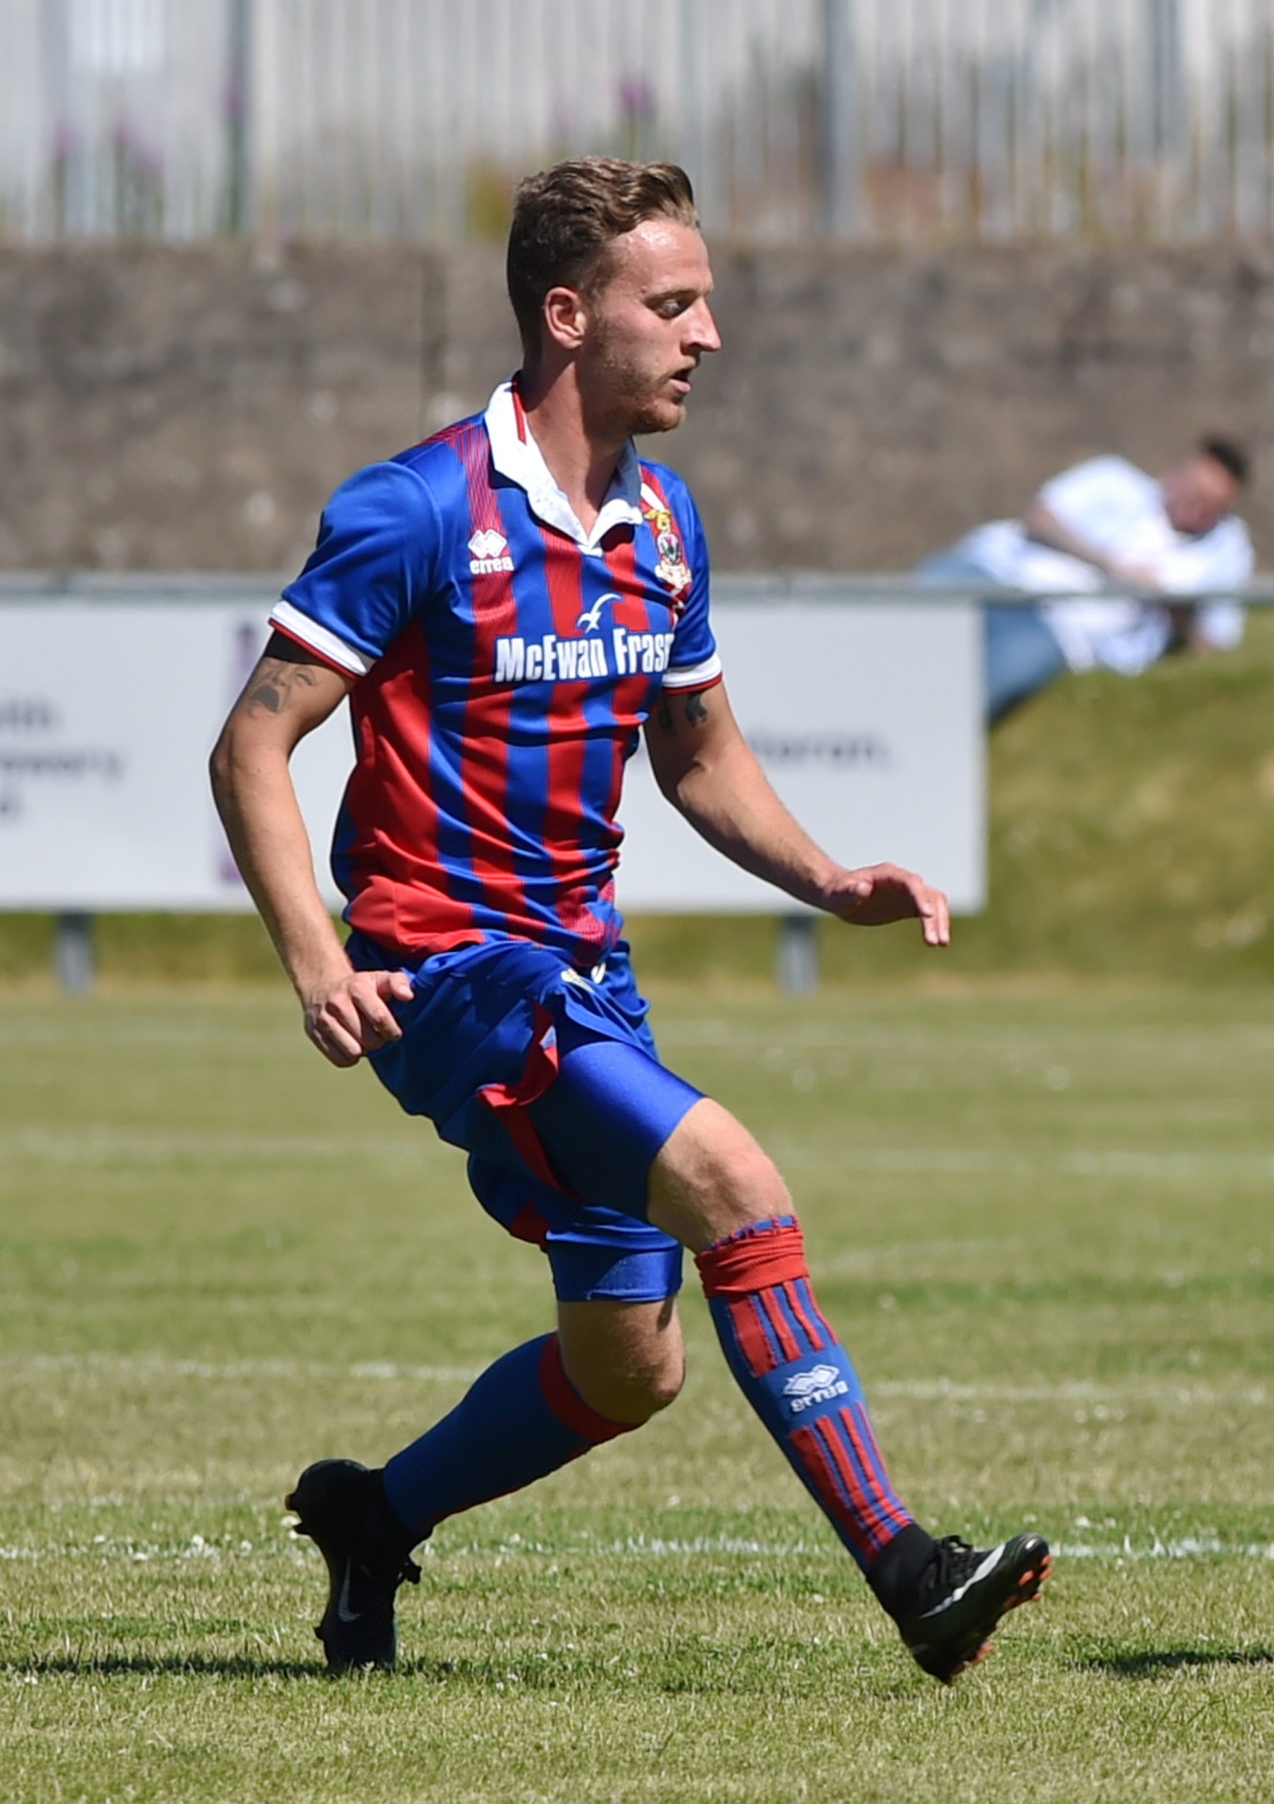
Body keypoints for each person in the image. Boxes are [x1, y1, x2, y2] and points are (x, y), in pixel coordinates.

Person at [208, 157, 1049, 1680]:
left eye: (704, 300)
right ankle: (914, 1571)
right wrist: (315, 958)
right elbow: (251, 742)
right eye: (673, 303)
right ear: (567, 315)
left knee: (630, 1364)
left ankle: (375, 1516)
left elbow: (700, 752)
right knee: (735, 1178)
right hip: (448, 972)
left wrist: (829, 875)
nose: (707, 333)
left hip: (583, 975)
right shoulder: (413, 509)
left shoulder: (658, 521)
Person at [914, 441, 1254, 721]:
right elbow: (1039, 519)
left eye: (1210, 506)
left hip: (1058, 630)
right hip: (997, 574)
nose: (1196, 509)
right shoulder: (1114, 480)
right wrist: (1112, 567)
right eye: (1193, 492)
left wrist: (1169, 606)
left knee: (970, 697)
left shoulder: (1225, 551)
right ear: (1174, 474)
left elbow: (1213, 645)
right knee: (902, 612)